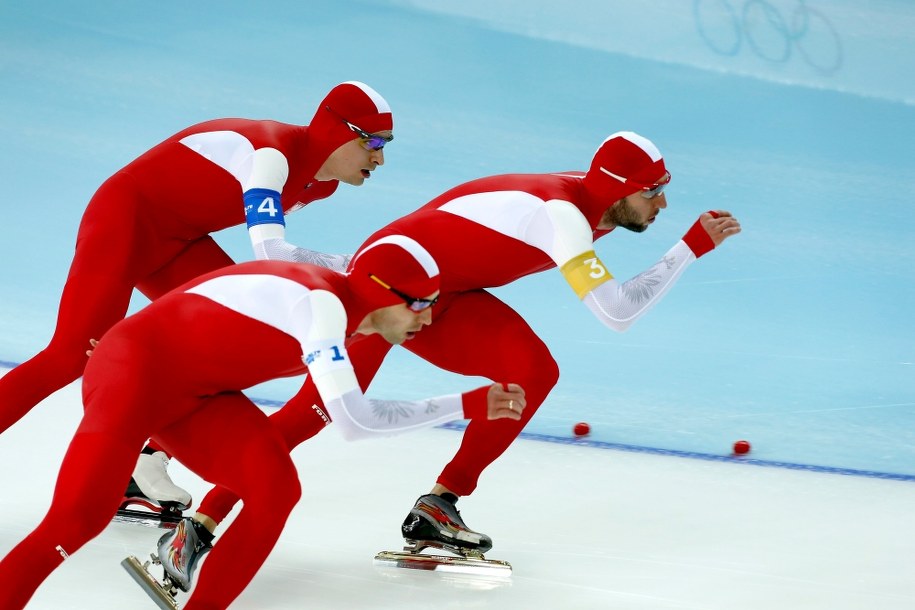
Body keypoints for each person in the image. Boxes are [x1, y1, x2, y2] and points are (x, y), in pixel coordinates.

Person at [158, 130, 742, 577]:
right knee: (316, 412)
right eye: (653, 191)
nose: (663, 203)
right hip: (390, 283)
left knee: (533, 372)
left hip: (449, 290)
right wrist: (690, 248)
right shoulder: (565, 217)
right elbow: (616, 312)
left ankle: (441, 504)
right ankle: (196, 528)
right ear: (619, 187)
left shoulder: (592, 202)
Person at [0, 236, 527, 610]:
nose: (429, 319)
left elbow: (347, 415)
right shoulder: (323, 310)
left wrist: (465, 403)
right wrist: (464, 403)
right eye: (420, 305)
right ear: (383, 292)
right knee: (76, 521)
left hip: (199, 393)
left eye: (435, 304)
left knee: (276, 489)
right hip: (131, 371)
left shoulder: (359, 318)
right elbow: (355, 423)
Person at [0, 80, 395, 515]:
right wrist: (360, 264)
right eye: (372, 141)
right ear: (338, 130)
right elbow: (270, 252)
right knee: (68, 356)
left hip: (180, 241)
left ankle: (147, 461)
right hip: (126, 221)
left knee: (237, 342)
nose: (379, 157)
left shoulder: (322, 185)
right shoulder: (271, 156)